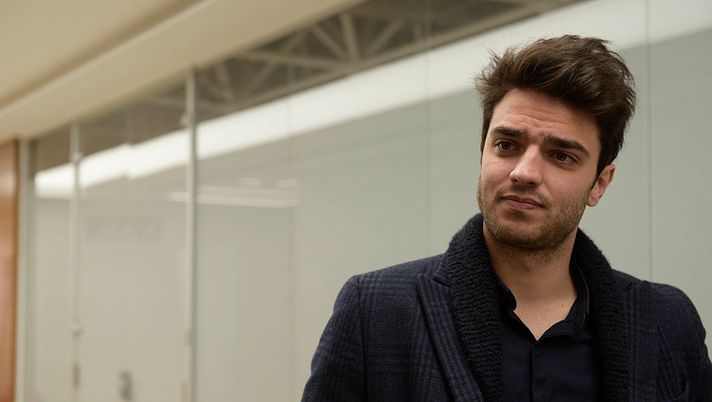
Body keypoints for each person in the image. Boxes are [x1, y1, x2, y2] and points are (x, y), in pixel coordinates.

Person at [302, 35, 712, 401]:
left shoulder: (666, 321)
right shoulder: (376, 310)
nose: (524, 172)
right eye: (506, 144)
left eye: (561, 156)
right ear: (482, 153)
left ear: (599, 184)